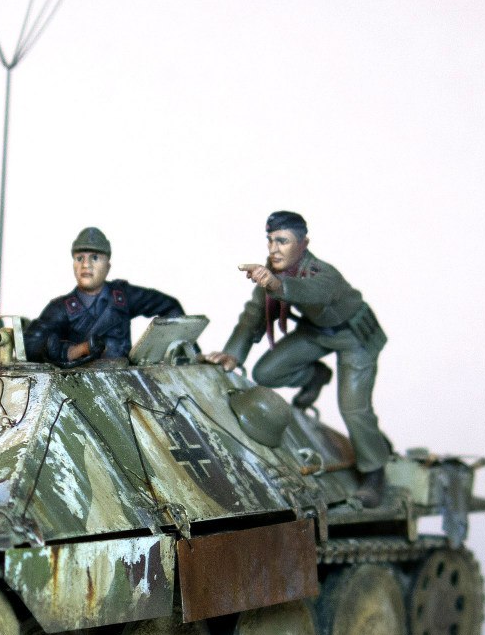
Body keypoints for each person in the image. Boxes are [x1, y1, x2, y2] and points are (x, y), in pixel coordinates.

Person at [201, 211, 391, 507]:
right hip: (315, 331)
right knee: (266, 372)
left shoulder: (322, 273)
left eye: (283, 241)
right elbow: (253, 315)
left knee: (354, 408)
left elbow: (314, 292)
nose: (274, 248)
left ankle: (374, 472)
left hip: (353, 336)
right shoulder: (272, 274)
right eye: (270, 240)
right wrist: (233, 354)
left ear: (303, 244)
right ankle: (316, 376)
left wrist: (277, 286)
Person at [25, 227, 185, 367]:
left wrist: (175, 352)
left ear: (107, 266)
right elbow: (30, 344)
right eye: (79, 258)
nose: (86, 265)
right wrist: (74, 351)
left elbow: (169, 306)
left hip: (124, 383)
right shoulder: (61, 308)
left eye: (94, 257)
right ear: (73, 265)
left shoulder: (123, 296)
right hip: (78, 384)